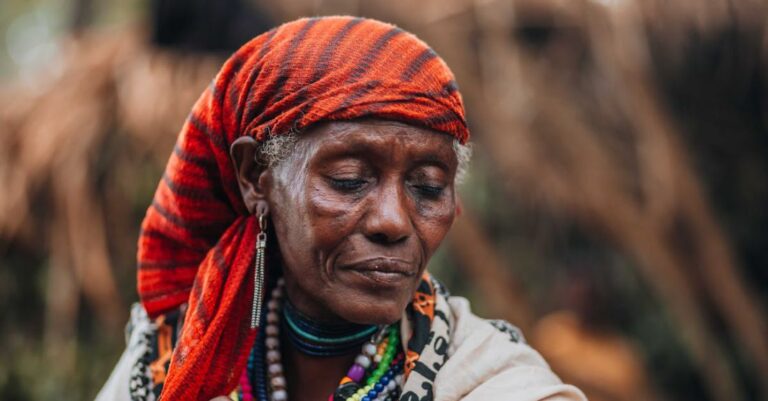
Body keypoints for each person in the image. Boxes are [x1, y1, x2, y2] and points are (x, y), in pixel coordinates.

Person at [97, 16, 586, 401]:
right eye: (349, 180)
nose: (393, 221)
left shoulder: (494, 384)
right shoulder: (171, 361)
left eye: (429, 187)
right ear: (254, 178)